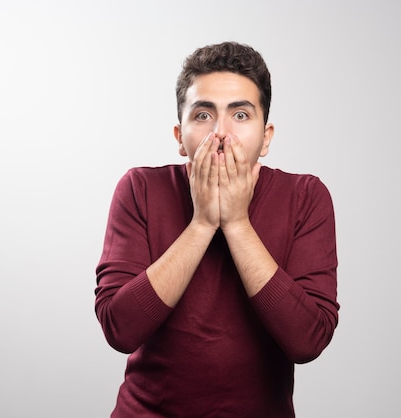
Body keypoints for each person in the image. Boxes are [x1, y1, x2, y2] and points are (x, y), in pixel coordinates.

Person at [95, 41, 339, 417]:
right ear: (180, 137)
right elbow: (120, 329)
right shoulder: (140, 189)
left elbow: (308, 340)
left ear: (267, 136)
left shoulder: (306, 197)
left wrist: (238, 224)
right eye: (203, 115)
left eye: (240, 115)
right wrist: (203, 223)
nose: (221, 134)